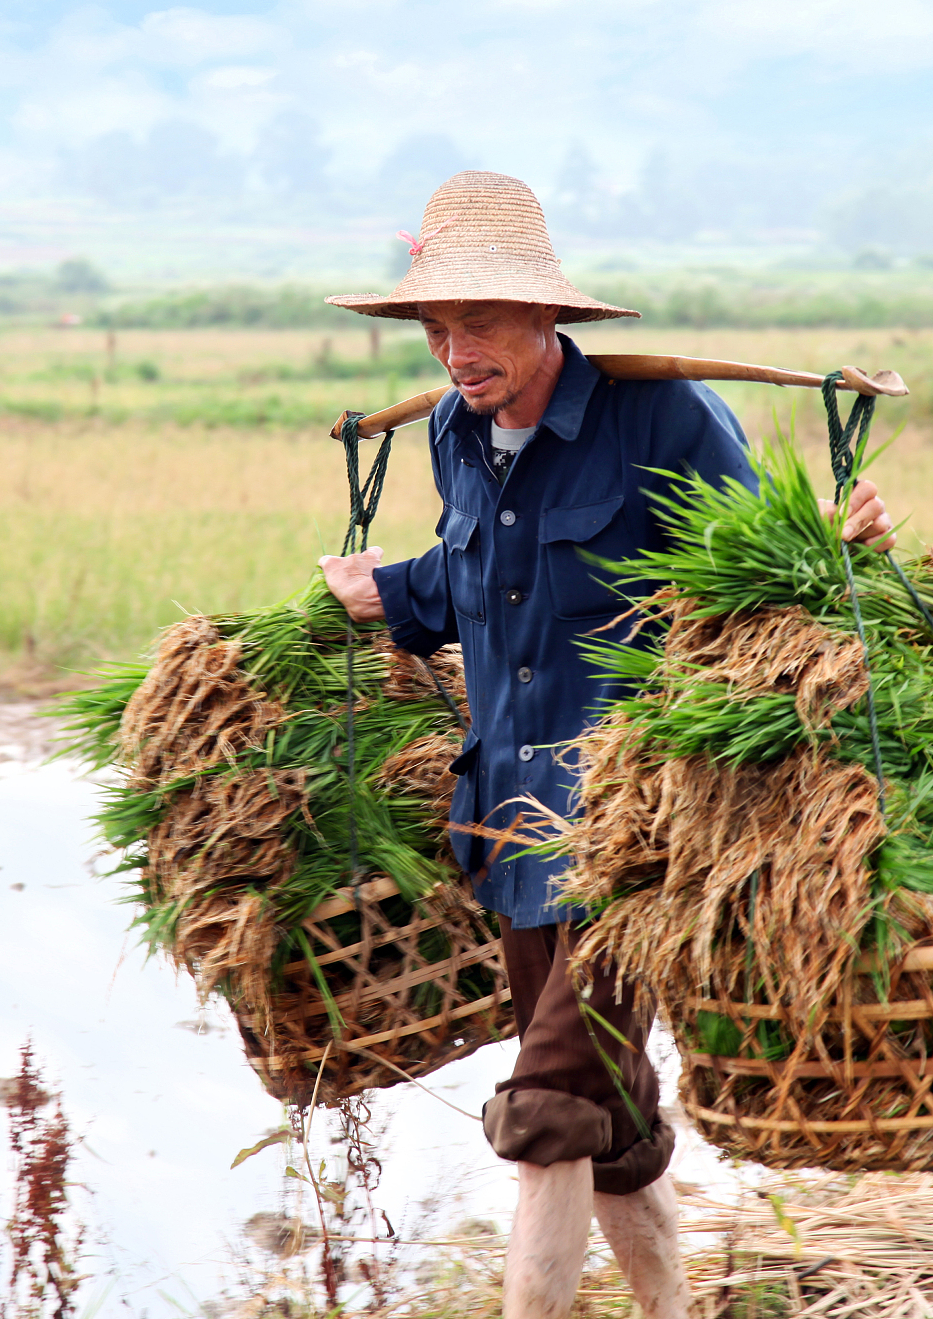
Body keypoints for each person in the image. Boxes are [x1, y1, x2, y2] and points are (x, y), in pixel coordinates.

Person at [318, 171, 895, 1319]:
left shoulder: (661, 420)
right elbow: (479, 584)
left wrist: (840, 539)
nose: (449, 350)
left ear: (546, 320)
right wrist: (384, 589)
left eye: (474, 323)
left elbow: (763, 577)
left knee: (542, 1115)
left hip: (636, 836)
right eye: (434, 326)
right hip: (510, 835)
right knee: (606, 1125)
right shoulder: (451, 433)